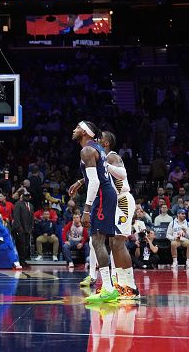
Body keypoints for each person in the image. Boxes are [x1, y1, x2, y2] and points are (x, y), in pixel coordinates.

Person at [71, 121, 120, 303]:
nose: (74, 130)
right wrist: (80, 181)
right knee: (98, 241)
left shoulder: (86, 151)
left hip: (101, 195)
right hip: (106, 194)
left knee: (97, 241)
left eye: (77, 127)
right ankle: (107, 287)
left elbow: (96, 181)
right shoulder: (96, 147)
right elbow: (99, 172)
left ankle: (108, 289)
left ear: (85, 132)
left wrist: (86, 209)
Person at [100, 131, 140, 299]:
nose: (96, 140)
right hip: (114, 203)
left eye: (99, 138)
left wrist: (106, 166)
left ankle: (131, 286)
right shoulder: (102, 160)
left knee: (118, 242)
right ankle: (121, 284)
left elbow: (122, 173)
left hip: (122, 199)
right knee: (113, 242)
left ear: (106, 143)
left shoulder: (112, 157)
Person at [12, 191, 34, 263]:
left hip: (28, 229)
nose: (27, 197)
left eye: (28, 196)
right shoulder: (18, 204)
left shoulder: (31, 205)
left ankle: (23, 260)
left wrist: (31, 228)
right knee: (21, 245)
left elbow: (32, 218)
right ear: (23, 196)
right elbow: (16, 217)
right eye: (25, 196)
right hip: (20, 229)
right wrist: (19, 227)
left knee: (26, 245)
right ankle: (20, 260)